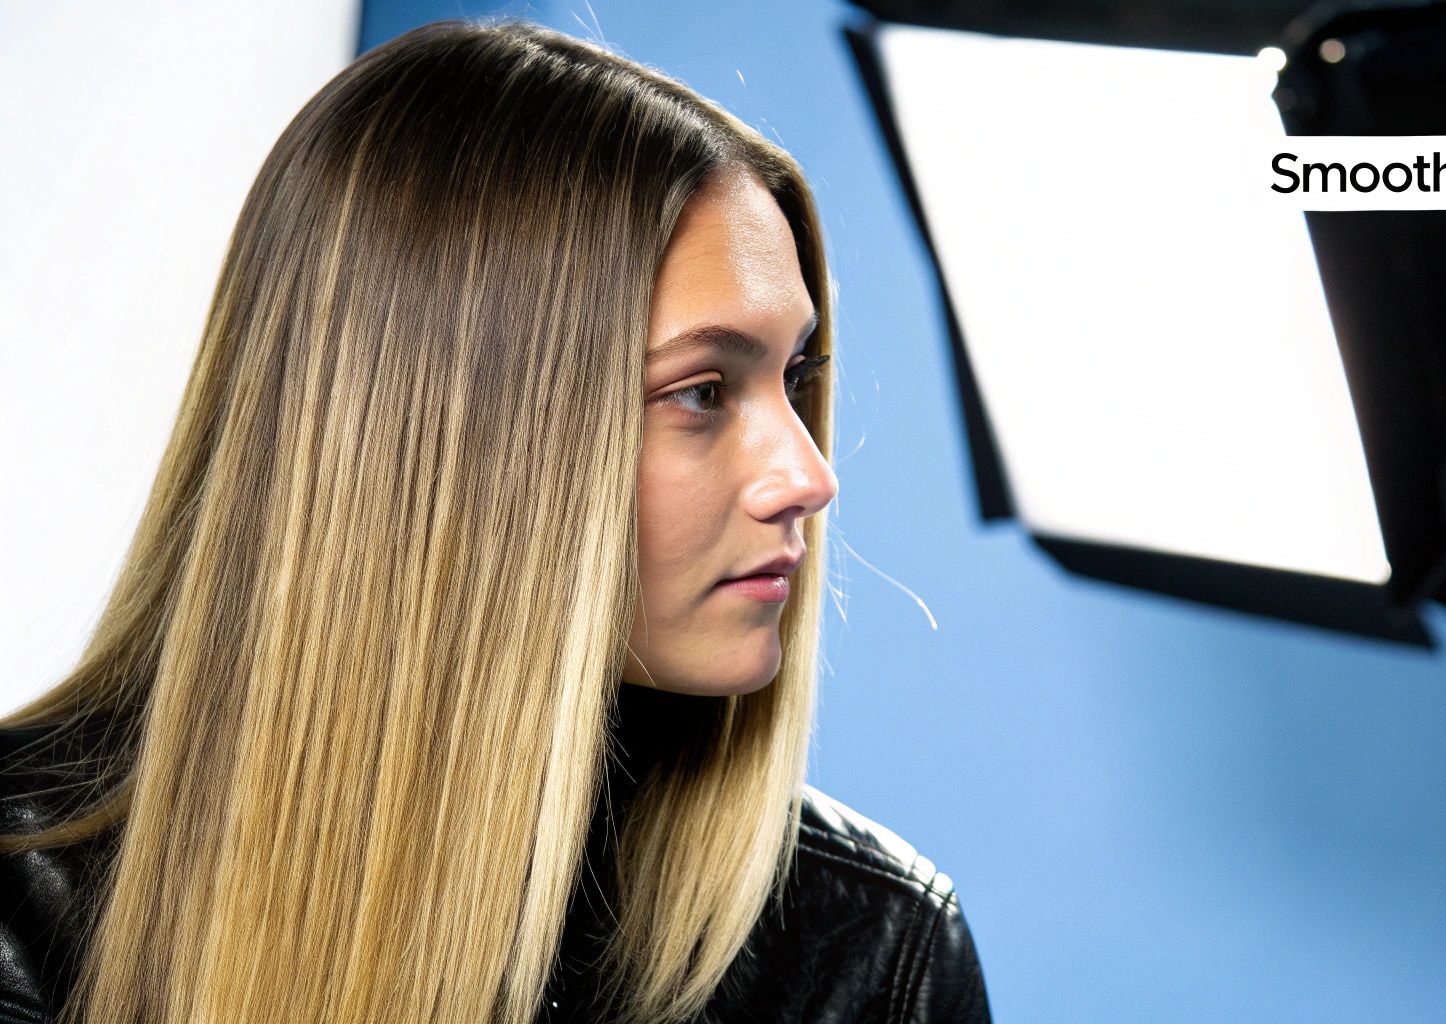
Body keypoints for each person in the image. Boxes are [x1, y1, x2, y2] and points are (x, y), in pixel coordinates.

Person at [0, 18, 990, 1024]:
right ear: (448, 434)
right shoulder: (19, 916)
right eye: (699, 390)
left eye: (795, 376)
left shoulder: (874, 953)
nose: (807, 475)